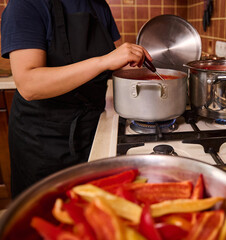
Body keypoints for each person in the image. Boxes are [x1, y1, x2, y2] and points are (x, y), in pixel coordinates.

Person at [1, 0, 151, 198]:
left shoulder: (98, 6)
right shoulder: (26, 4)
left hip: (92, 128)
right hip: (44, 141)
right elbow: (29, 84)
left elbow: (116, 62)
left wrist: (142, 64)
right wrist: (103, 61)